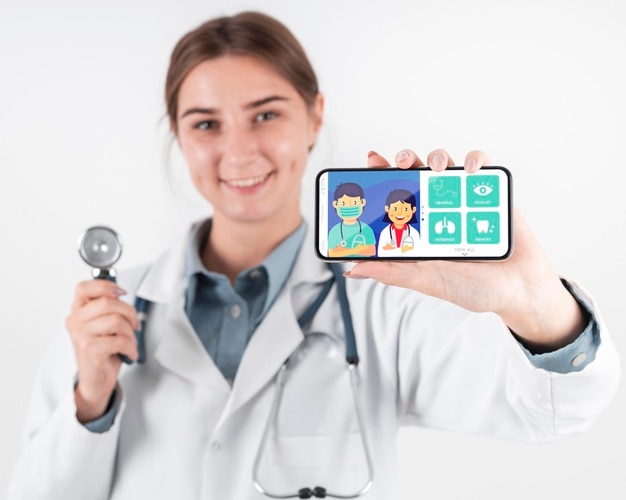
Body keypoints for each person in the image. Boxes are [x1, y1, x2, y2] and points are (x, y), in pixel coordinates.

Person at [8, 11, 620, 500]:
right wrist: (91, 400)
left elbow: (550, 414)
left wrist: (535, 305)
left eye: (265, 114)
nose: (239, 151)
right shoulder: (106, 318)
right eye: (205, 124)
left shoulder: (383, 306)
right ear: (177, 135)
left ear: (313, 116)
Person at [328, 181, 377, 258]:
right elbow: (331, 254)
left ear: (362, 202)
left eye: (354, 203)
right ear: (335, 204)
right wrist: (356, 250)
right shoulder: (334, 231)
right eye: (343, 203)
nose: (349, 207)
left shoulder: (366, 229)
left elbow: (372, 251)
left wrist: (342, 250)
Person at [377, 188, 420, 256]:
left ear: (413, 210)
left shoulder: (414, 233)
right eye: (395, 209)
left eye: (405, 209)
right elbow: (381, 254)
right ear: (387, 209)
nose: (400, 213)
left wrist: (392, 249)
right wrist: (403, 250)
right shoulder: (385, 232)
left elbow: (416, 254)